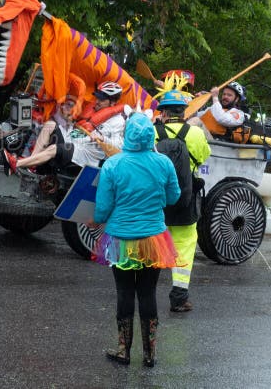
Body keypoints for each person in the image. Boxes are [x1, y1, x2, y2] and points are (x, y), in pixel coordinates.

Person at [90, 113, 180, 367]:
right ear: (151, 133)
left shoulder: (113, 164)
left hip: (121, 239)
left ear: (127, 134)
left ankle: (123, 350)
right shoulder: (164, 163)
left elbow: (103, 209)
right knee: (148, 293)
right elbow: (173, 197)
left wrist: (94, 219)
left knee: (125, 292)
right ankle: (150, 354)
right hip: (154, 238)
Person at [154, 89, 211, 313]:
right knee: (185, 247)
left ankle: (143, 291)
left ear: (164, 112)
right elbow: (204, 156)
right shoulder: (196, 134)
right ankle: (179, 297)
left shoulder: (153, 132)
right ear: (183, 111)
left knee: (151, 243)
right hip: (186, 200)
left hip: (157, 201)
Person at [2, 81, 126, 173]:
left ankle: (17, 164)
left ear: (113, 103)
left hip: (87, 155)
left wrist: (103, 138)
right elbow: (81, 130)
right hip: (74, 142)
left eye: (102, 100)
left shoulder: (118, 121)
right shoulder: (95, 111)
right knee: (50, 125)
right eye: (98, 97)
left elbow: (119, 146)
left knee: (55, 148)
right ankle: (31, 164)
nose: (97, 101)